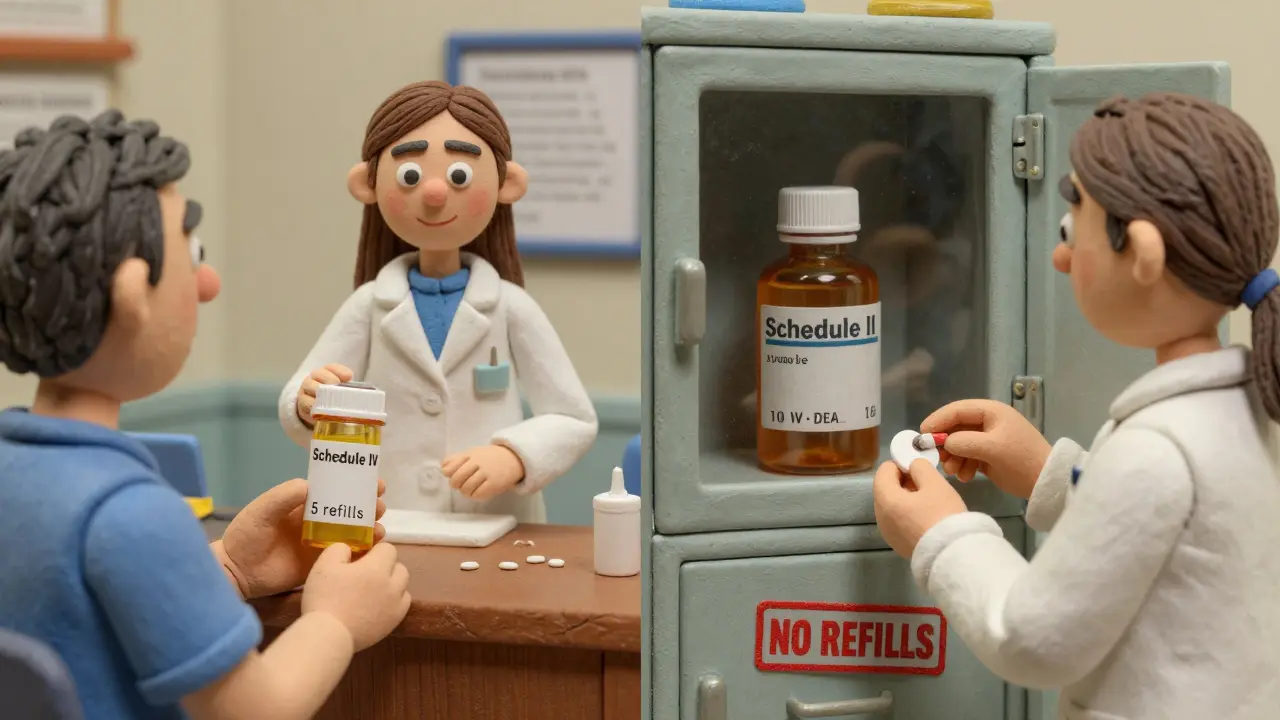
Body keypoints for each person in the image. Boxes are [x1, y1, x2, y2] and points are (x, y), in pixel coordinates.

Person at [873, 93, 1280, 719]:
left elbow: (1031, 639)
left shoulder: (1159, 447)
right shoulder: (1249, 405)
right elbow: (1172, 540)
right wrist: (1049, 475)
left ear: (1141, 254)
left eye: (1071, 232)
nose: (1060, 258)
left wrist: (941, 536)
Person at [0, 111, 411, 719]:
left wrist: (228, 570)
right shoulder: (130, 514)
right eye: (192, 255)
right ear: (134, 294)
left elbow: (75, 607)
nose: (209, 282)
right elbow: (253, 711)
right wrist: (336, 620)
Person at [278, 81, 598, 521]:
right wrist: (308, 400)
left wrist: (515, 456)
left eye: (459, 176)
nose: (433, 193)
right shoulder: (369, 305)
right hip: (391, 515)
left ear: (509, 183)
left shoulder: (511, 307)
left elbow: (573, 416)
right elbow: (300, 393)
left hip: (495, 519)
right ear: (365, 184)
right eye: (410, 175)